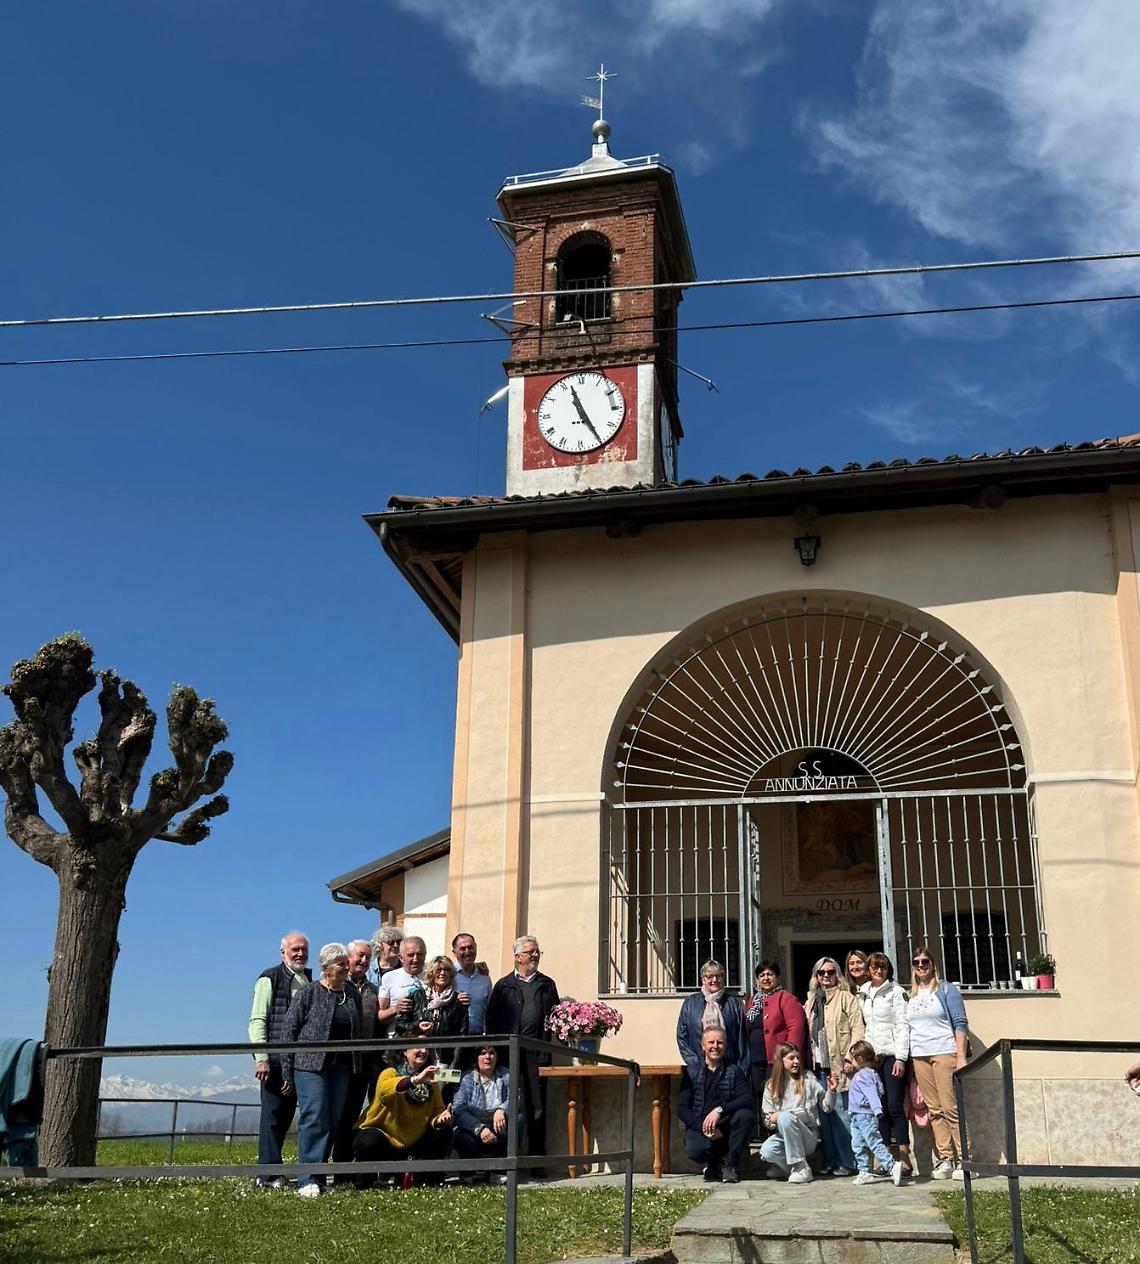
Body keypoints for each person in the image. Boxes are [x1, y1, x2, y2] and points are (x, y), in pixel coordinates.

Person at [279, 942, 363, 1197]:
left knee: (333, 1120)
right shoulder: (308, 993)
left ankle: (318, 1174)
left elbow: (358, 1032)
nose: (346, 968)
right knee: (314, 1117)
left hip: (341, 1068)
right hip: (310, 1066)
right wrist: (286, 1069)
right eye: (341, 964)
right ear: (326, 968)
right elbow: (288, 1031)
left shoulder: (352, 994)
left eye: (346, 963)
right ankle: (307, 1178)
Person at [486, 935, 560, 1166]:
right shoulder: (503, 985)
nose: (536, 955)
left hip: (537, 1054)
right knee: (507, 1104)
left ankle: (537, 1161)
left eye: (538, 951)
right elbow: (492, 1021)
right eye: (531, 952)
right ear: (518, 957)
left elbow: (557, 1018)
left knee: (537, 1108)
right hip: (509, 1056)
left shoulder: (547, 984)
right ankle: (506, 1159)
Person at [248, 931, 311, 1188]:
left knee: (285, 1117)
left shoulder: (308, 980)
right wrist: (261, 1057)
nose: (300, 954)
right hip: (274, 1060)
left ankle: (273, 1171)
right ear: (283, 952)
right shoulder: (269, 978)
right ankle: (268, 1174)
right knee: (272, 1116)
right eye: (295, 949)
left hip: (299, 1061)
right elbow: (258, 1020)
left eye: (303, 950)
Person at [907, 945, 969, 1179]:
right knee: (934, 1110)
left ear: (933, 965)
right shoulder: (910, 995)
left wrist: (961, 1056)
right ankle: (946, 1159)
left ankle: (965, 1160)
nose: (921, 966)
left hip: (945, 1053)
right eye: (916, 962)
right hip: (920, 1055)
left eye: (925, 961)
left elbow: (960, 1022)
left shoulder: (946, 990)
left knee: (950, 1108)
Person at [354, 1047, 452, 1187]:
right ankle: (365, 1182)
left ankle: (430, 1179)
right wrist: (415, 1080)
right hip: (387, 1139)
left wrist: (440, 1120)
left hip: (415, 1140)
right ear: (405, 1052)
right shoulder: (390, 1072)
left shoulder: (432, 1080)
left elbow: (438, 1110)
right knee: (367, 1141)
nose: (423, 1051)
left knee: (444, 1132)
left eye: (427, 1048)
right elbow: (385, 1092)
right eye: (418, 1046)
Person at [804, 954, 864, 1176]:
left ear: (837, 974)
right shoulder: (811, 1002)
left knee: (841, 1115)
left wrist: (851, 1057)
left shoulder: (846, 997)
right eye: (822, 973)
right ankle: (830, 1161)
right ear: (816, 976)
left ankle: (848, 1162)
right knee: (825, 1117)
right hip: (818, 1067)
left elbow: (858, 1029)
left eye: (830, 972)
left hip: (840, 1065)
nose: (826, 976)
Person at [677, 1026, 754, 1184]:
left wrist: (720, 1110)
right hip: (701, 1124)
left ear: (725, 1046)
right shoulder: (691, 1073)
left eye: (720, 1042)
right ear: (703, 1046)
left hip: (726, 1125)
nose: (715, 1046)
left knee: (745, 1115)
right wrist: (703, 1127)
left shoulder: (734, 1071)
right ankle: (713, 1165)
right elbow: (682, 1108)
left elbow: (747, 1098)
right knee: (696, 1150)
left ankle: (729, 1166)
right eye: (711, 1042)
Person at [859, 951, 912, 1174]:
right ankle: (886, 1161)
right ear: (868, 970)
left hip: (891, 1055)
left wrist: (900, 1057)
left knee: (894, 1106)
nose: (878, 971)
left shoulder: (896, 992)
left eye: (882, 967)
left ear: (888, 969)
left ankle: (904, 1158)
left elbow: (902, 1025)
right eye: (874, 967)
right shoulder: (863, 993)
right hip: (874, 1058)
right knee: (878, 1108)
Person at [331, 939, 379, 1181]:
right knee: (335, 1115)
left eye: (367, 958)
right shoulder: (338, 984)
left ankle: (343, 1167)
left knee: (352, 1115)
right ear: (348, 958)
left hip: (363, 1063)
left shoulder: (372, 989)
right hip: (340, 1061)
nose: (363, 961)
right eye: (360, 956)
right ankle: (325, 1167)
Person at [759, 1041, 835, 1184]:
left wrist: (831, 1091)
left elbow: (827, 1107)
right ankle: (789, 1167)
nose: (796, 1062)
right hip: (784, 1134)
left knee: (786, 1117)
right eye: (791, 1058)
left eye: (798, 1058)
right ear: (781, 1061)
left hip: (807, 1134)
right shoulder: (771, 1085)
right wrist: (770, 1120)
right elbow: (768, 1119)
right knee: (766, 1151)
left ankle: (801, 1167)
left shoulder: (807, 1078)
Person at [744, 959, 807, 1127]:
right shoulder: (752, 1001)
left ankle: (778, 1132)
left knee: (777, 1095)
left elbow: (796, 1028)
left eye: (770, 974)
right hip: (757, 1058)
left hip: (777, 1059)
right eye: (762, 975)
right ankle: (764, 1132)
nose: (765, 978)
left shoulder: (787, 999)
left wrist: (789, 1057)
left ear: (778, 978)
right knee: (760, 1095)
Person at [845, 1041, 905, 1186]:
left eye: (853, 1059)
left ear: (860, 1059)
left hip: (865, 1115)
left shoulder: (864, 1075)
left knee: (873, 1142)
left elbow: (873, 1094)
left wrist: (877, 1110)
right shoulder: (864, 1074)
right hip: (856, 1115)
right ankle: (865, 1171)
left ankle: (892, 1165)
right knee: (858, 1144)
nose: (851, 1062)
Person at [451, 1044, 514, 1184]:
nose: (488, 1057)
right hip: (473, 1128)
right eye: (483, 1053)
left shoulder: (506, 1075)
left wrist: (502, 1109)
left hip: (498, 1125)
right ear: (476, 1058)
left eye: (492, 1053)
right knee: (462, 1137)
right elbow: (458, 1109)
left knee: (518, 1120)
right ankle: (468, 1171)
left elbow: (515, 1098)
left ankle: (499, 1170)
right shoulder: (466, 1078)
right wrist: (478, 1127)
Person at [677, 960, 750, 1075]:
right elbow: (682, 1037)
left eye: (718, 976)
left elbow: (742, 1039)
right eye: (710, 976)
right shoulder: (690, 1003)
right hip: (699, 1069)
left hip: (728, 1068)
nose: (715, 980)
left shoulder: (733, 1003)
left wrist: (741, 1070)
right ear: (703, 979)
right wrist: (695, 1063)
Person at [380, 935, 429, 1037]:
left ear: (425, 955)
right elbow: (380, 1016)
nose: (415, 959)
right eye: (411, 955)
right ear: (401, 958)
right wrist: (396, 1009)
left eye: (419, 954)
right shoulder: (389, 977)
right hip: (398, 1039)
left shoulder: (433, 976)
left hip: (426, 1039)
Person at [420, 955, 470, 1044]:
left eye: (446, 970)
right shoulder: (421, 996)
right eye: (438, 970)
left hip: (448, 1051)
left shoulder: (458, 1000)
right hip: (424, 1050)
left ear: (451, 974)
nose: (442, 973)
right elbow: (403, 1024)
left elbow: (462, 1034)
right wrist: (418, 1025)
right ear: (432, 973)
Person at [452, 931, 492, 1036]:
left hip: (478, 1037)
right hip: (453, 1037)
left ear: (476, 947)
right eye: (462, 949)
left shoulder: (484, 977)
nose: (467, 952)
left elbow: (488, 1007)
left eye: (470, 947)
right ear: (454, 952)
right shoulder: (448, 974)